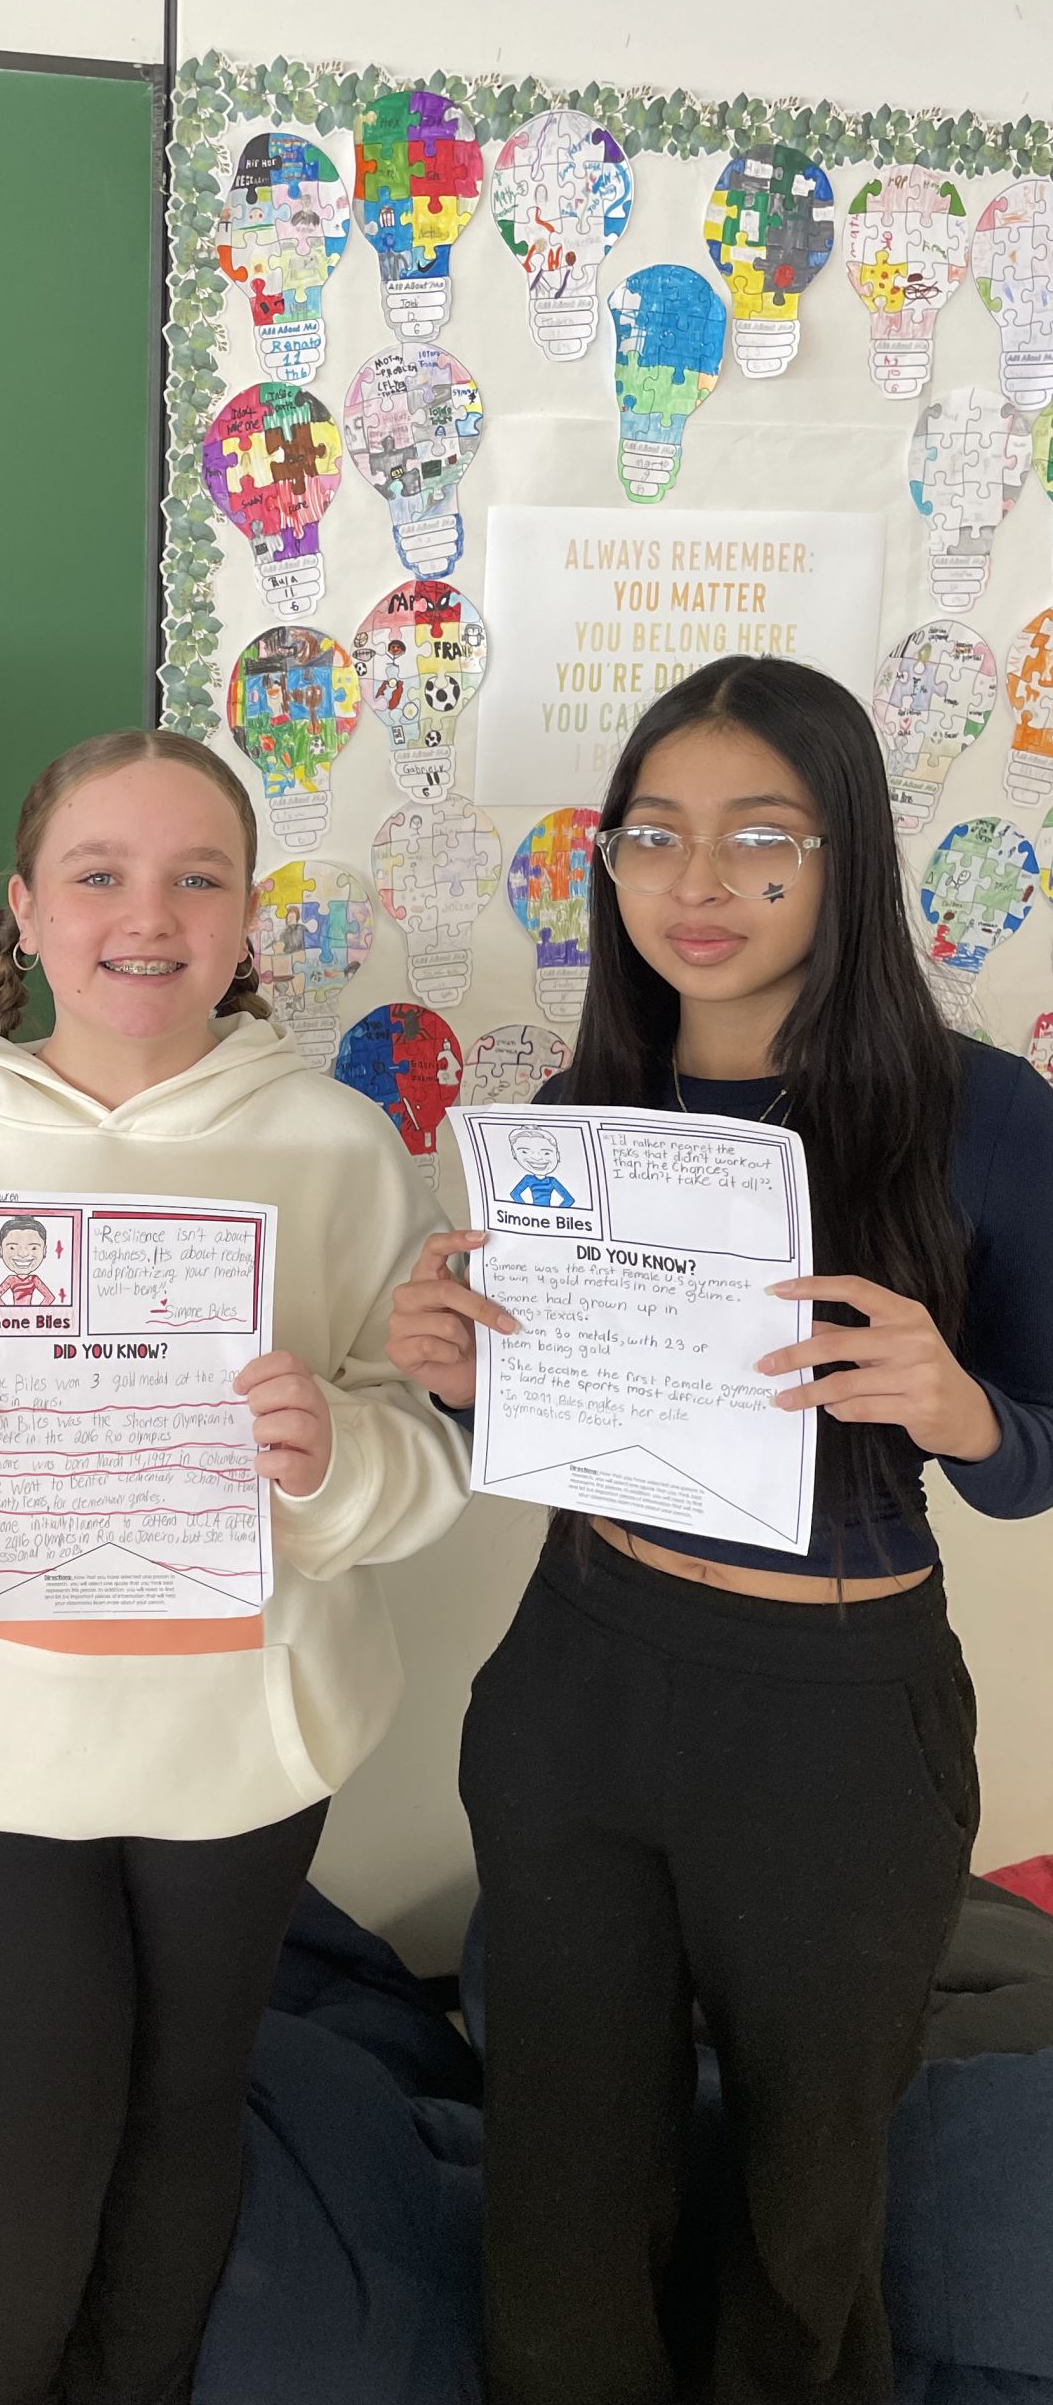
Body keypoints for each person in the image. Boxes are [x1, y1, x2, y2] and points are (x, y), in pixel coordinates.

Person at [0, 727, 469, 2405]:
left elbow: (419, 1438)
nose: (144, 917)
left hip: (242, 1735)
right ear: (26, 907)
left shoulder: (342, 1150)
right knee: (18, 2125)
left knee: (182, 2107)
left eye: (195, 877)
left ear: (243, 923)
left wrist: (330, 1459)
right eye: (98, 874)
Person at [388, 657, 1053, 2405]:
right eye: (654, 839)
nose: (702, 885)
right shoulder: (567, 1127)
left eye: (764, 840)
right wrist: (451, 1373)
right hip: (586, 1672)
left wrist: (963, 1406)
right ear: (607, 869)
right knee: (564, 2164)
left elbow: (1037, 1454)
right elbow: (553, 1430)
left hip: (838, 1714)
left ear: (849, 862)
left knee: (804, 2191)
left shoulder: (984, 1118)